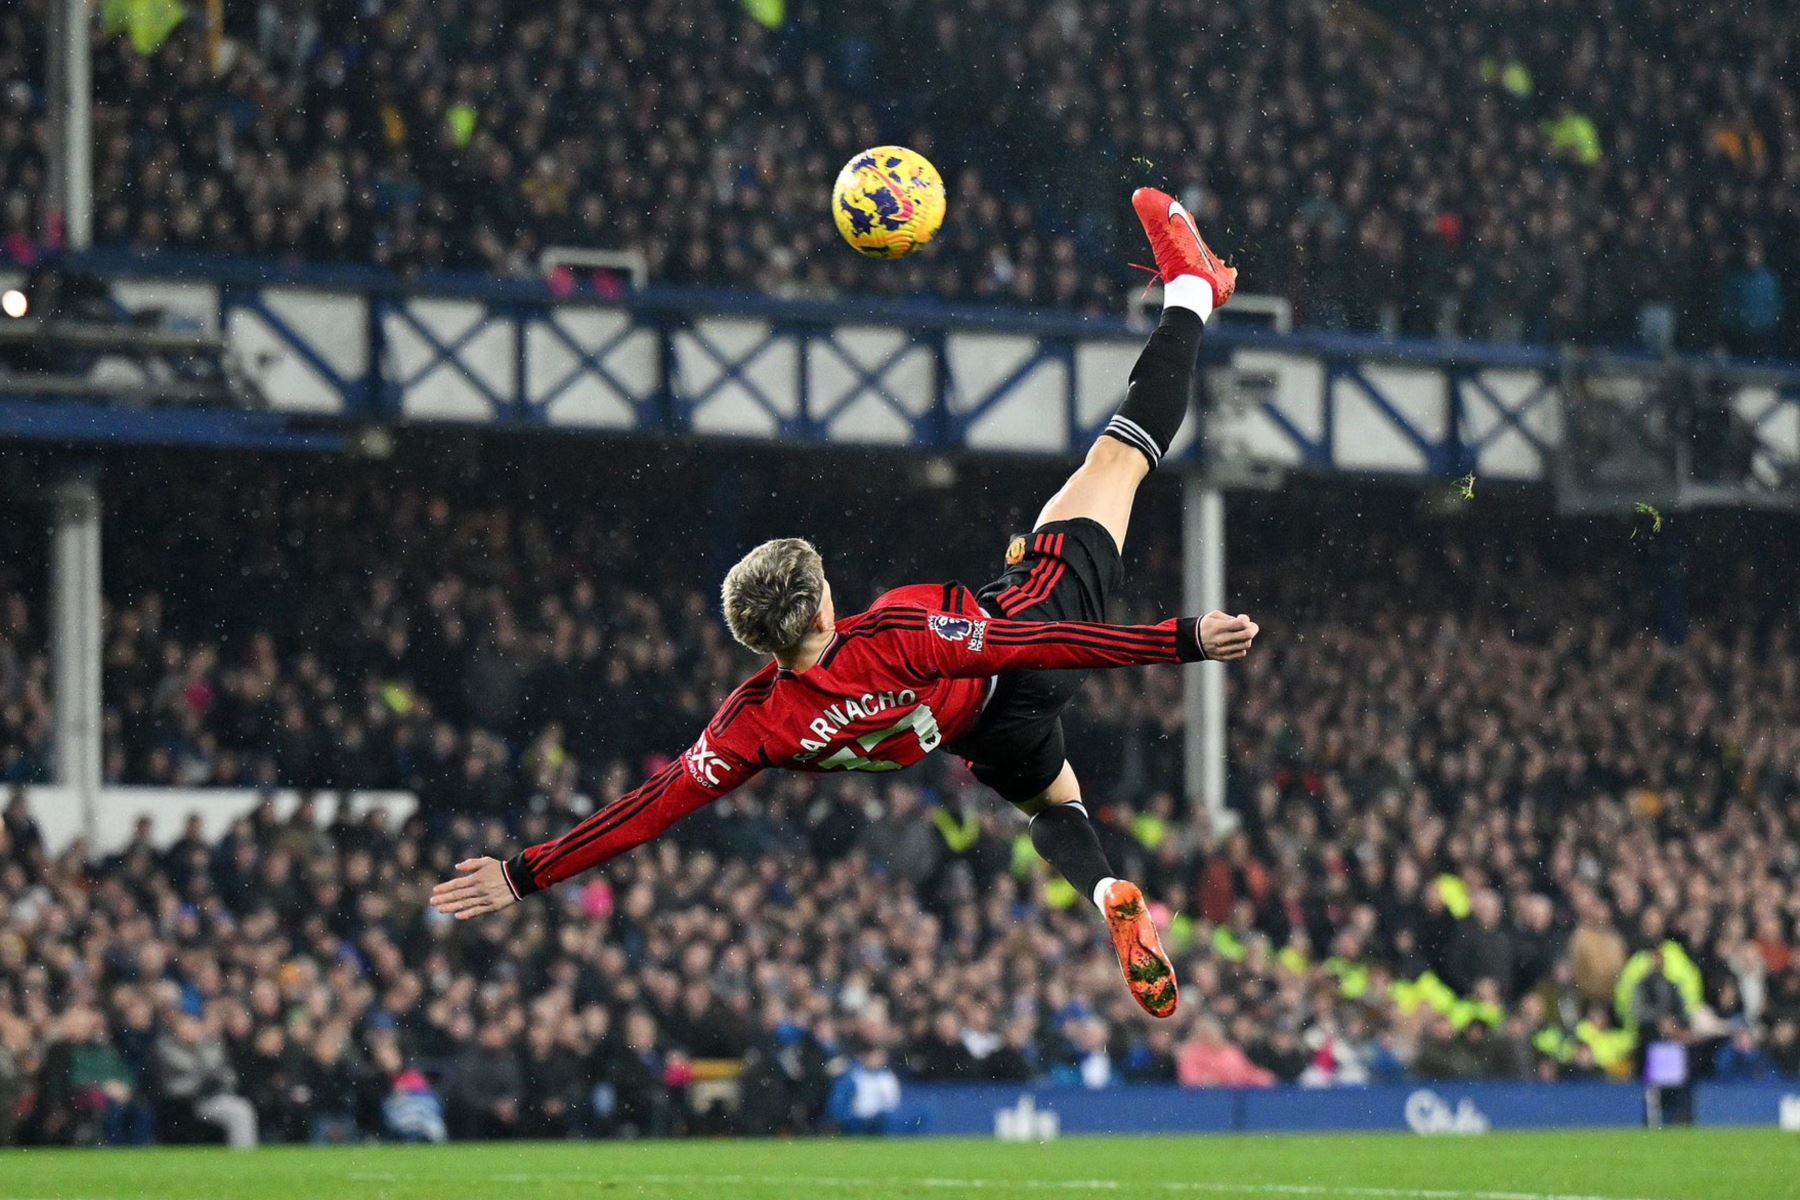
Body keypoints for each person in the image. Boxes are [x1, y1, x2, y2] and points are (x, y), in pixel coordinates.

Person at [431, 187, 1255, 1019]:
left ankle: (1107, 885)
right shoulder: (894, 631)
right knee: (1119, 459)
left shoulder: (753, 724)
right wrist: (1183, 640)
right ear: (824, 609)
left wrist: (522, 874)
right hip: (1027, 645)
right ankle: (1193, 287)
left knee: (1054, 802)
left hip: (980, 732)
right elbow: (1024, 649)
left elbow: (647, 811)